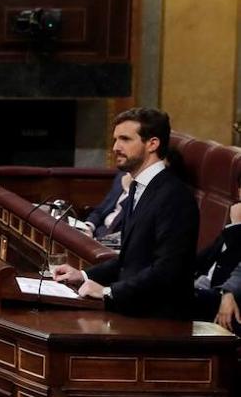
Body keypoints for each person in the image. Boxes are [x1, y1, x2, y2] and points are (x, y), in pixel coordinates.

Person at [52, 108, 199, 318]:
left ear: (152, 144)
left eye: (125, 139)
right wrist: (83, 275)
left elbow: (168, 270)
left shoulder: (175, 196)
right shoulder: (138, 187)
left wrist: (108, 291)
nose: (115, 148)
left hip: (158, 321)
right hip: (132, 309)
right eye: (115, 140)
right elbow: (129, 261)